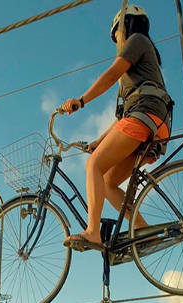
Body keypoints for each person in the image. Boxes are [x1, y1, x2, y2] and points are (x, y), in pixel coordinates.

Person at [60, 5, 172, 251]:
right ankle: (143, 230)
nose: (116, 41)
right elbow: (123, 118)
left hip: (145, 117)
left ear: (126, 25)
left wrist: (81, 100)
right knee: (109, 183)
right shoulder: (136, 75)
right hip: (152, 122)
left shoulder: (137, 40)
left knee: (93, 166)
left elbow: (111, 75)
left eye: (116, 35)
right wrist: (100, 141)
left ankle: (93, 232)